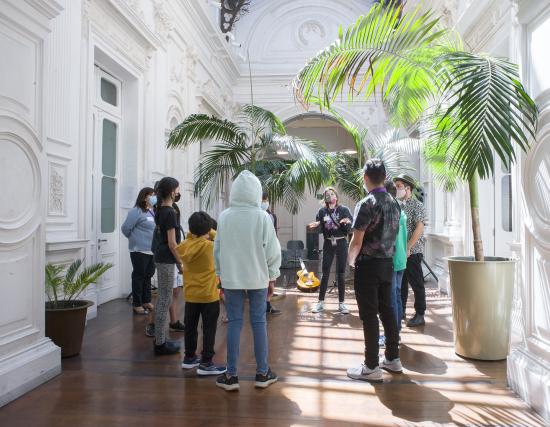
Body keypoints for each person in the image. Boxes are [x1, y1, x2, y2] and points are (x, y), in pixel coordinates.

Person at [214, 170, 281, 391]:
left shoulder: (224, 216)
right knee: (259, 322)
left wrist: (220, 275)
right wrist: (272, 276)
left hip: (231, 277)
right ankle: (262, 373)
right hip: (258, 277)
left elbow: (218, 249)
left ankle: (231, 376)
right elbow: (272, 250)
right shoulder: (263, 217)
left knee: (234, 323)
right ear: (256, 192)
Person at [347, 159, 402, 383]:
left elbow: (357, 241)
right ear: (385, 177)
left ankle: (371, 366)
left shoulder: (367, 203)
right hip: (387, 264)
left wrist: (350, 262)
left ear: (365, 178)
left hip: (368, 265)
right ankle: (392, 358)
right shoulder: (394, 202)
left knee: (369, 315)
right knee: (387, 310)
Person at [176, 212, 226, 376]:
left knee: (190, 327)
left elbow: (193, 237)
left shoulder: (183, 245)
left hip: (191, 294)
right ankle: (206, 363)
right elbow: (223, 240)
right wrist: (211, 230)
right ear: (209, 228)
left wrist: (197, 232)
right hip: (209, 294)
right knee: (209, 329)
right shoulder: (210, 246)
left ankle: (189, 358)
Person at [307, 187, 353, 314]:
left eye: (332, 193)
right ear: (325, 198)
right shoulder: (322, 211)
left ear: (336, 196)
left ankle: (342, 303)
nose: (330, 196)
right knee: (325, 272)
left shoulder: (344, 210)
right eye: (327, 194)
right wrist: (317, 225)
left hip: (341, 242)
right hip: (328, 243)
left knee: (341, 273)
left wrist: (347, 221)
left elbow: (350, 227)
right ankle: (320, 302)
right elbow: (320, 228)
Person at [151, 176, 183, 355]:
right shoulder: (170, 212)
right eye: (177, 190)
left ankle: (161, 339)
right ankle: (160, 343)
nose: (178, 193)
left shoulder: (161, 210)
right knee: (165, 299)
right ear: (172, 192)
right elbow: (172, 243)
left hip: (161, 257)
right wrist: (180, 263)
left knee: (165, 298)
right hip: (166, 259)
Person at [394, 174, 427, 328]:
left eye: (399, 186)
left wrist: (408, 247)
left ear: (408, 188)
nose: (397, 189)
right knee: (402, 284)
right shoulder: (397, 205)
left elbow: (419, 228)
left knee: (417, 283)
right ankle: (401, 312)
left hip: (413, 251)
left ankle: (420, 314)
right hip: (400, 252)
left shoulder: (418, 206)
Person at [379, 181, 408, 347]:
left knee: (390, 298)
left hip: (392, 259)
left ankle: (392, 335)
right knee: (396, 295)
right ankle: (396, 331)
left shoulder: (390, 211)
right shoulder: (400, 210)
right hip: (401, 258)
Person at [121, 187, 156, 315]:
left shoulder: (152, 211)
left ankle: (146, 300)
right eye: (151, 195)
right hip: (139, 250)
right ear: (144, 197)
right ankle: (137, 303)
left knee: (148, 276)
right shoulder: (136, 211)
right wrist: (134, 239)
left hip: (151, 250)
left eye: (154, 195)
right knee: (139, 276)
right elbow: (125, 228)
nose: (154, 197)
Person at [262, 192, 281, 316]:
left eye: (266, 200)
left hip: (271, 249)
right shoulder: (261, 216)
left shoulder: (271, 215)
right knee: (267, 284)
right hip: (264, 252)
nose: (265, 202)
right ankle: (264, 306)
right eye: (264, 200)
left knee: (270, 283)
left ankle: (267, 305)